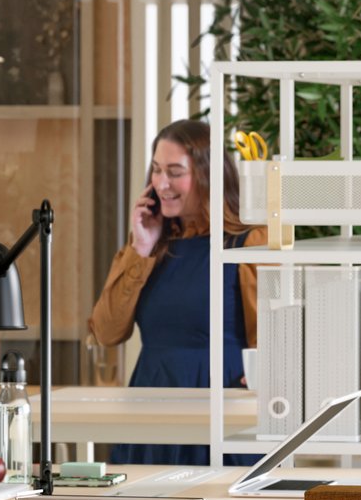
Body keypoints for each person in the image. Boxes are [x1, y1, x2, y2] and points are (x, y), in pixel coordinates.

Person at [89, 118, 267, 467]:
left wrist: (267, 372)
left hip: (222, 401)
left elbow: (277, 336)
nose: (161, 184)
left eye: (174, 172)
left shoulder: (249, 242)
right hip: (151, 402)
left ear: (208, 175)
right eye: (156, 171)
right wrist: (140, 249)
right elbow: (107, 332)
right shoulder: (147, 245)